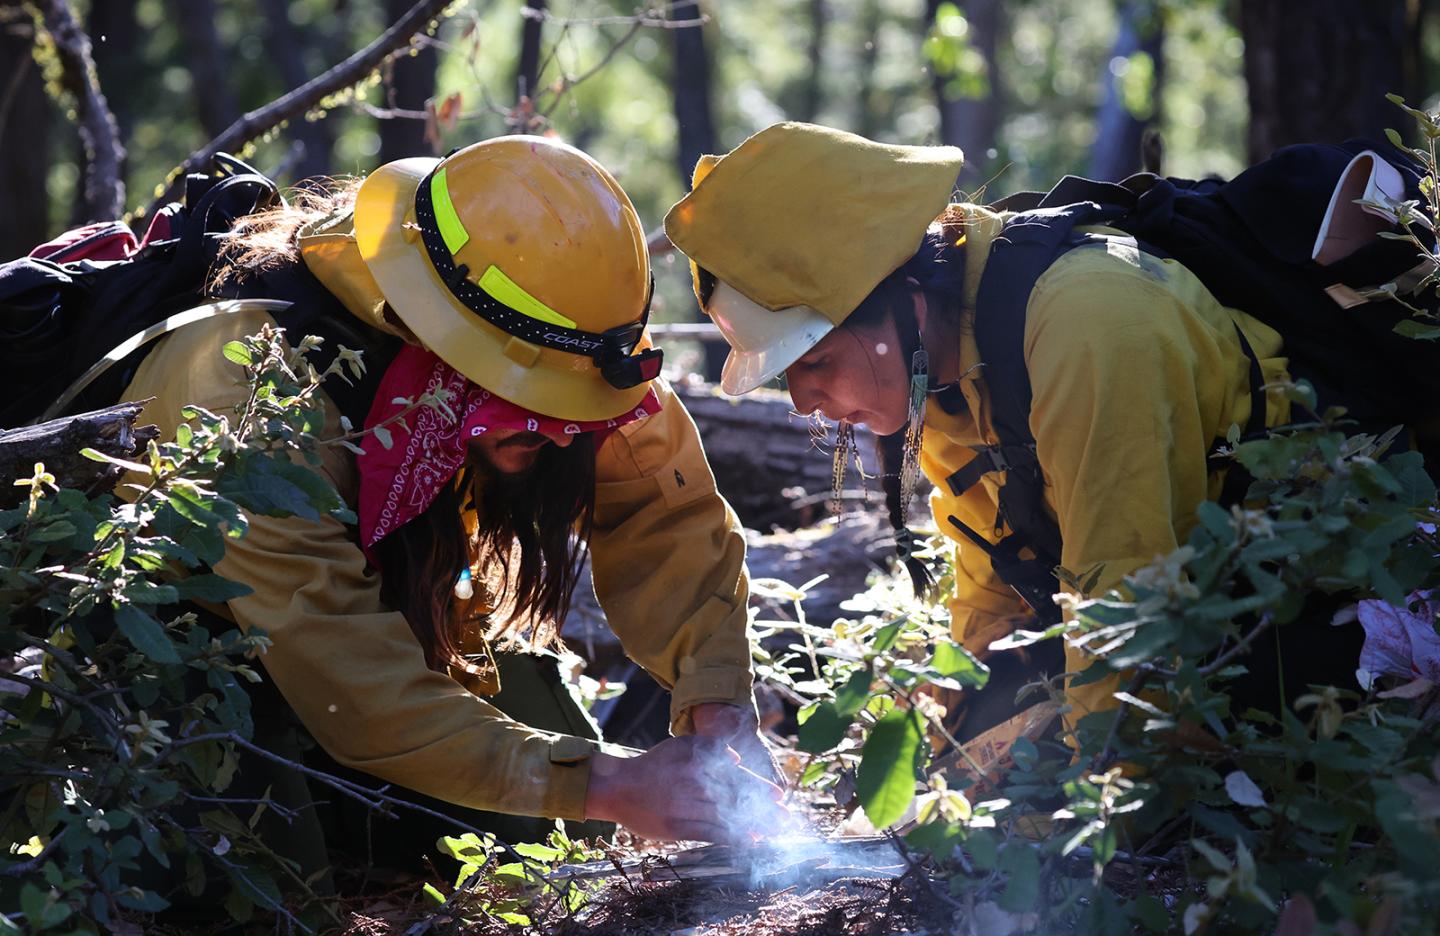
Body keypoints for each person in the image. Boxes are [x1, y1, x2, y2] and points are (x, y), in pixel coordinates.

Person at [115, 135, 784, 873]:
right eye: (537, 409)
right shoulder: (240, 391)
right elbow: (347, 675)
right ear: (450, 348)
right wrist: (614, 783)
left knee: (554, 845)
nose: (564, 433)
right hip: (191, 657)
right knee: (258, 886)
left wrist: (717, 701)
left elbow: (664, 513)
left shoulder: (562, 331)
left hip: (391, 613)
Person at [661, 122, 1381, 744]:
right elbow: (993, 579)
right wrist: (942, 741)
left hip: (1312, 594)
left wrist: (1089, 829)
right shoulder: (940, 367)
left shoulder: (1089, 325)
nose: (805, 402)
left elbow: (1125, 601)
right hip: (1197, 603)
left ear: (903, 298)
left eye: (814, 360)